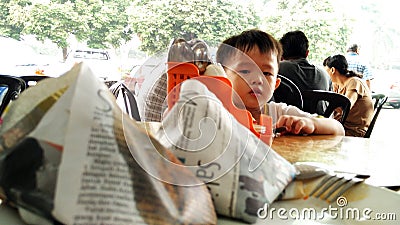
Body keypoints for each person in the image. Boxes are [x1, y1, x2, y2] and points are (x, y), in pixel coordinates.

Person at [216, 29, 344, 135]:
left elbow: (338, 129)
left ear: (275, 84)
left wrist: (311, 124)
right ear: (222, 78)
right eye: (245, 71)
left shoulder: (278, 113)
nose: (258, 79)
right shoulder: (215, 112)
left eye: (266, 73)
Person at [278, 30, 332, 115]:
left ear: (281, 55)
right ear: (307, 53)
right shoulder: (325, 74)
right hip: (322, 125)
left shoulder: (277, 69)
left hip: (288, 124)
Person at [323, 54, 374, 137]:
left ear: (332, 70)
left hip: (353, 130)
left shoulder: (354, 82)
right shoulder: (337, 85)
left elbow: (345, 107)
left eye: (326, 70)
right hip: (340, 126)